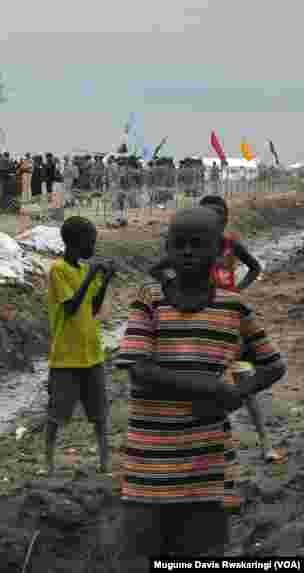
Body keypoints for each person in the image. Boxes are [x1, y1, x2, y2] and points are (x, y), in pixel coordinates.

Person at [114, 207, 286, 566]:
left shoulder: (233, 308)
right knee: (140, 556)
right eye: (180, 244)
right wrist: (213, 390)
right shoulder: (149, 300)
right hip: (148, 470)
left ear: (219, 250)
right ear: (168, 248)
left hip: (206, 469)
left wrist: (237, 394)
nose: (188, 251)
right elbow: (140, 370)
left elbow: (273, 364)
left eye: (198, 244)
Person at [148, 195, 274, 462]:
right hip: (199, 321)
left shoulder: (230, 245)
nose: (211, 220)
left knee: (243, 381)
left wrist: (237, 291)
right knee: (202, 384)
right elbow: (156, 269)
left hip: (227, 321)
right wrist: (174, 286)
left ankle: (264, 442)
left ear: (225, 220)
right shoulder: (192, 247)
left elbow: (254, 267)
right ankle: (200, 449)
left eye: (217, 216)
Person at [45, 216, 116, 475]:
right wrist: (93, 275)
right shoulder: (58, 270)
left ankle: (104, 461)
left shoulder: (85, 270)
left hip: (92, 354)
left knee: (99, 414)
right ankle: (48, 462)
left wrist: (105, 279)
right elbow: (72, 307)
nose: (94, 248)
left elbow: (93, 307)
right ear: (76, 243)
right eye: (91, 242)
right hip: (65, 357)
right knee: (57, 413)